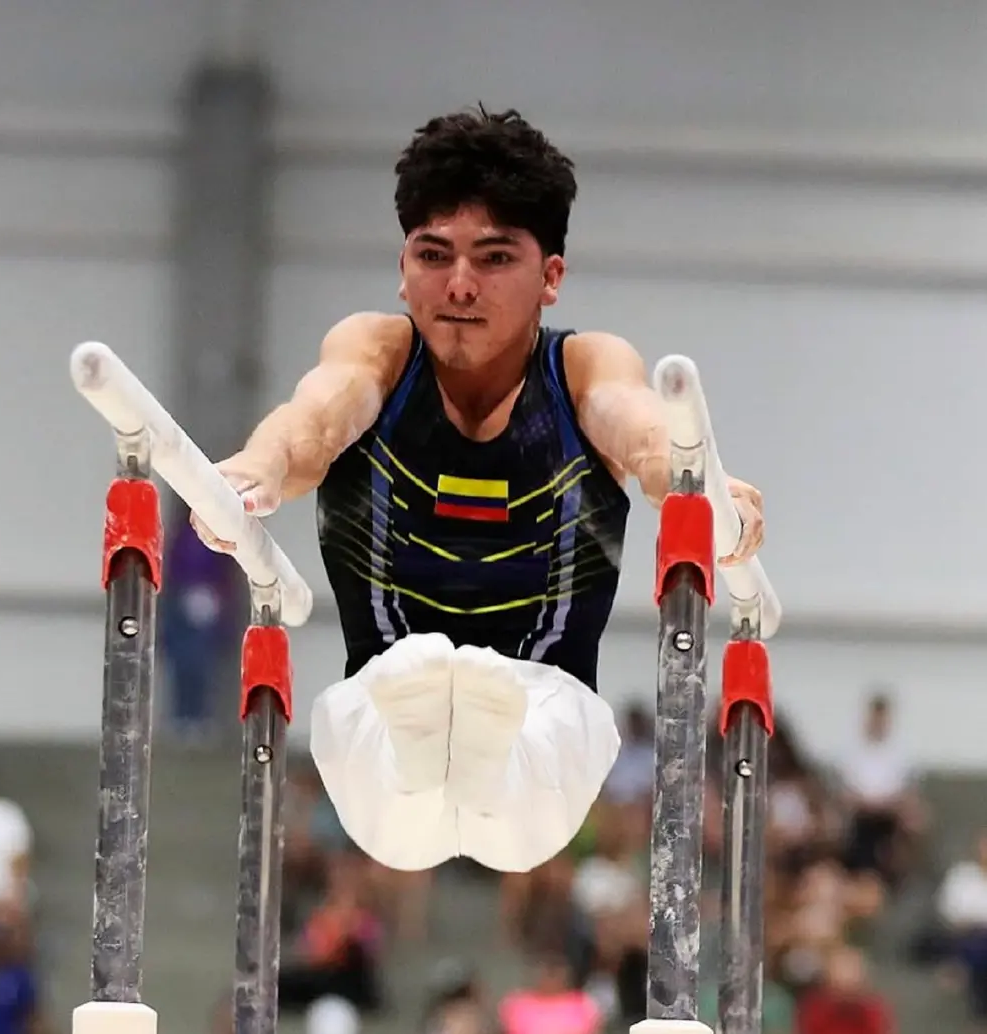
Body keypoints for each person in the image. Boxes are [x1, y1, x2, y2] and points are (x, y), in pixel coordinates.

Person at [191, 105, 765, 873]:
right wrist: (256, 470)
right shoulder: (378, 353)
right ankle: (433, 728)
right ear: (403, 267)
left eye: (493, 259)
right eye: (434, 254)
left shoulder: (584, 369)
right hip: (384, 696)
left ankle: (472, 737)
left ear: (550, 276)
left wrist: (704, 487)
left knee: (520, 785)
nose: (458, 284)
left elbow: (643, 433)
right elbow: (314, 422)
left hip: (547, 707)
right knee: (390, 766)